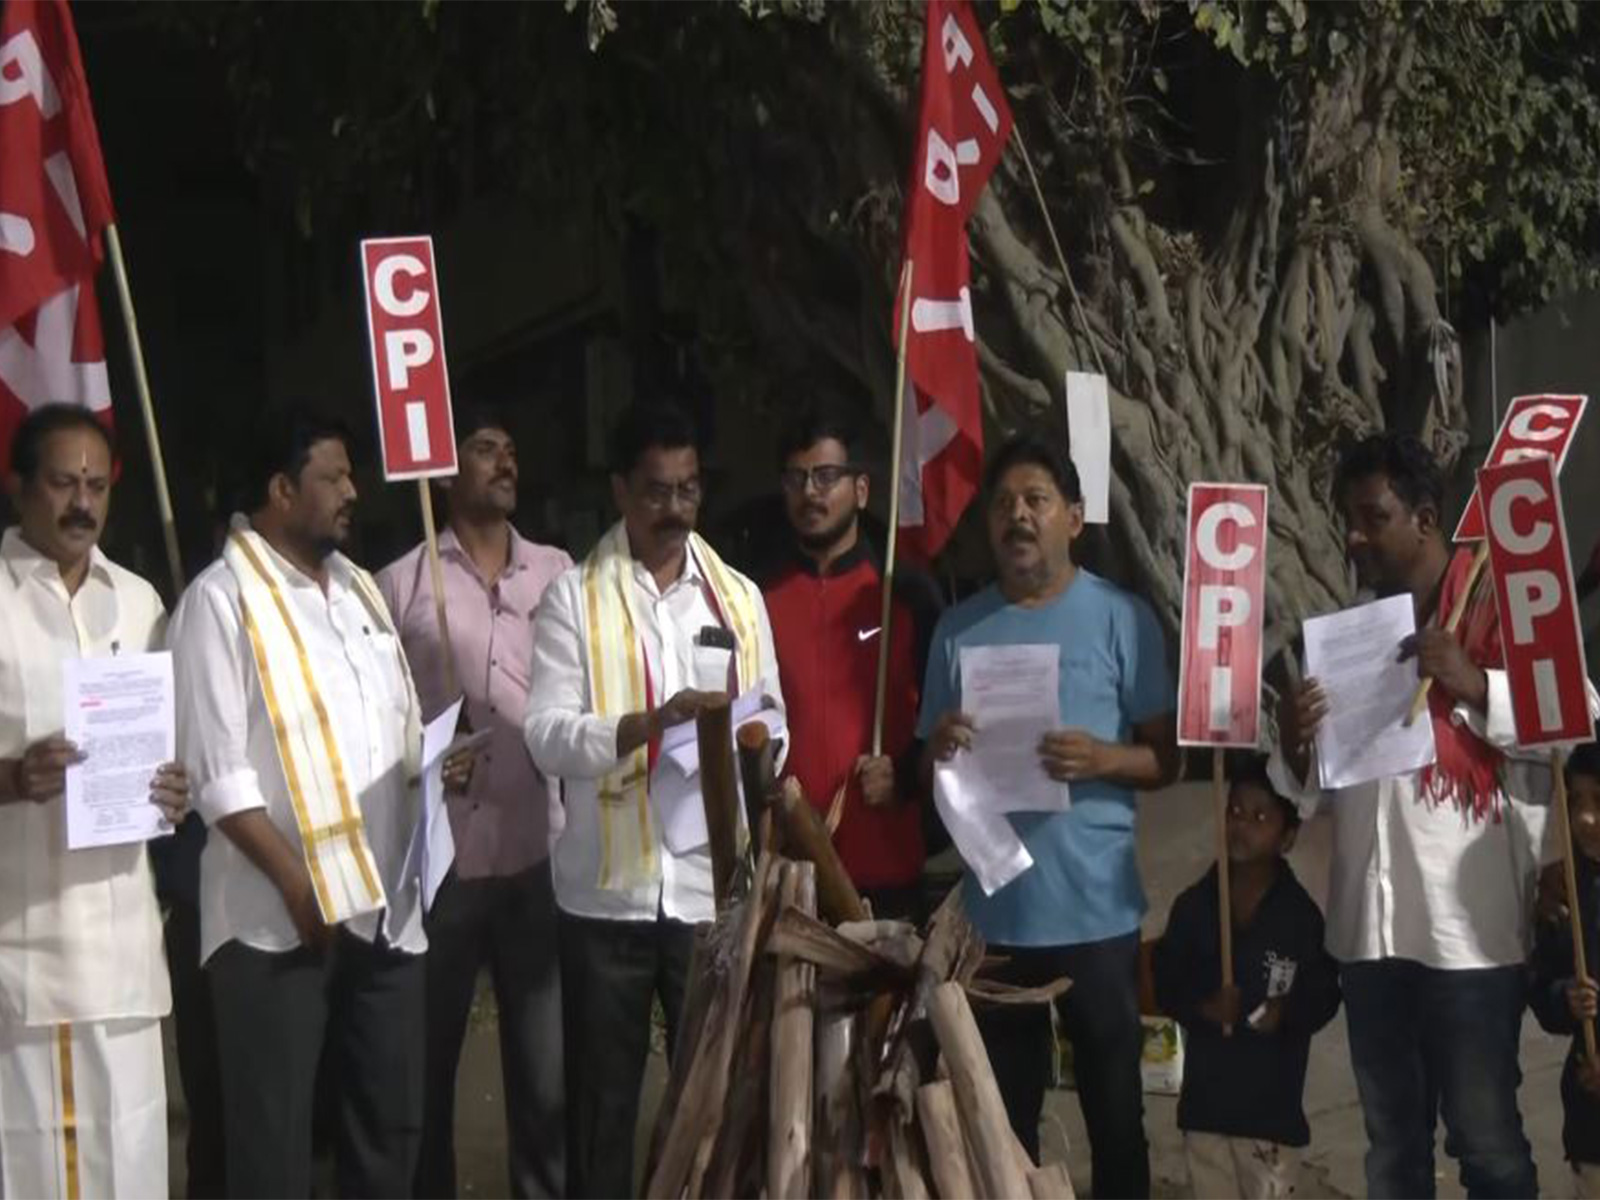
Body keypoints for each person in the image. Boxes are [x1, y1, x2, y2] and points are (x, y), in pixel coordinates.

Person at [1272, 431, 1590, 1199]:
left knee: (1487, 1144)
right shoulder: (1350, 633)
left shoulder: (1501, 608)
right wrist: (1294, 740)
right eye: (1347, 516)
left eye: (1370, 516)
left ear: (1423, 516)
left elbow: (1579, 718)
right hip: (1368, 934)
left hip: (1467, 936)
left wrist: (1476, 682)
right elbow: (1312, 792)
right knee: (1391, 1150)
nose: (1353, 534)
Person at [171, 406, 463, 1198]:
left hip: (384, 911)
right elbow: (214, 773)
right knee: (273, 1151)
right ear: (279, 488)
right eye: (332, 477)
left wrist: (435, 769)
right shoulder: (218, 601)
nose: (352, 492)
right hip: (277, 924)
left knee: (389, 1134)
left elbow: (386, 727)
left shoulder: (361, 590)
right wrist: (297, 883)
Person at [523, 401, 785, 1198]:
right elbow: (545, 734)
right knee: (603, 1109)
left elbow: (775, 716)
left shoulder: (736, 596)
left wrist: (752, 746)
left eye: (688, 491)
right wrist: (644, 727)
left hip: (709, 891)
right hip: (608, 897)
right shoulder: (574, 596)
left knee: (715, 1097)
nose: (674, 511)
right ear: (619, 491)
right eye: (656, 492)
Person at [920, 435, 1179, 1197]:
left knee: (1115, 1116)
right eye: (1003, 504)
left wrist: (1103, 759)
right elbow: (931, 769)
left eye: (1035, 500)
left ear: (1073, 516)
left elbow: (1169, 761)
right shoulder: (957, 630)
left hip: (1097, 913)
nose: (1018, 516)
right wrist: (939, 747)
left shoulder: (1122, 619)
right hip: (995, 918)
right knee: (1003, 1124)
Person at [377, 406, 571, 1199]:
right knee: (428, 1072)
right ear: (444, 471)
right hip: (441, 864)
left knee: (544, 1077)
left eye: (511, 450)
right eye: (485, 449)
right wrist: (417, 761)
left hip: (538, 852)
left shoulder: (560, 573)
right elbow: (377, 715)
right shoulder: (399, 582)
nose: (504, 463)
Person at [0, 404, 190, 1198]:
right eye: (61, 483)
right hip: (29, 955)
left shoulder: (142, 602)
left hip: (128, 960)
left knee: (138, 1162)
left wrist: (176, 790)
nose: (82, 503)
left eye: (96, 485)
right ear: (17, 489)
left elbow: (169, 746)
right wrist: (11, 780)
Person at [762, 403, 939, 921]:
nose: (810, 491)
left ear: (861, 490)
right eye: (796, 478)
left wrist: (904, 776)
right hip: (790, 874)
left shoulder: (906, 595)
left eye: (826, 476)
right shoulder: (754, 597)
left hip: (888, 864)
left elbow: (948, 720)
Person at [1151, 755, 1340, 1200]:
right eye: (1234, 811)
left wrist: (1286, 1011)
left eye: (1260, 817)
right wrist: (1201, 1006)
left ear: (1287, 836)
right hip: (1205, 1110)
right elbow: (1165, 980)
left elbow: (1325, 994)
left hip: (1270, 1118)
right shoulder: (1194, 908)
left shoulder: (1299, 919)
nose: (1242, 826)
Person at [1530, 743, 1600, 1200]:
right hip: (1591, 1126)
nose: (1586, 819)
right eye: (1574, 801)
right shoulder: (1564, 893)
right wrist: (1564, 998)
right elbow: (1544, 995)